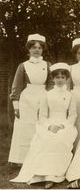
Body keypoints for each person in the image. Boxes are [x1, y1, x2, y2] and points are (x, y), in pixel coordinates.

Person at [11, 63, 77, 189]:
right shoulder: (47, 94)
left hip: (65, 125)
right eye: (57, 77)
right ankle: (40, 175)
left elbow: (72, 115)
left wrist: (62, 126)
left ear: (66, 79)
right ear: (52, 79)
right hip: (48, 124)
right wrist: (49, 126)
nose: (60, 79)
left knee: (60, 140)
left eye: (63, 77)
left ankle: (52, 176)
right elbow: (42, 116)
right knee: (45, 140)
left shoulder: (70, 95)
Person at [9, 33, 52, 165]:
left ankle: (40, 158)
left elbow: (51, 84)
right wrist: (16, 106)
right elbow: (16, 87)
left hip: (43, 97)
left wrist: (50, 99)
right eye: (34, 47)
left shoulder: (48, 65)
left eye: (39, 48)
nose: (37, 50)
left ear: (42, 49)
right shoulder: (23, 66)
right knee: (25, 128)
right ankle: (22, 159)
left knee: (41, 127)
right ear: (29, 49)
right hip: (27, 100)